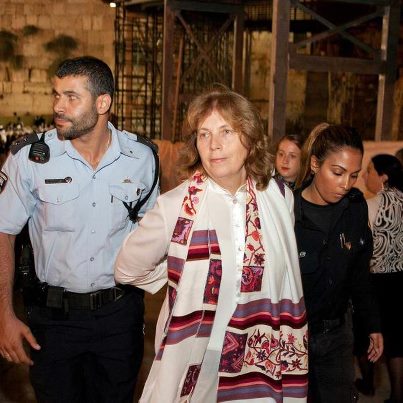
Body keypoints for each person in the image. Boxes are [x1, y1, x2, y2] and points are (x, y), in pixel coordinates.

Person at [115, 86, 308, 402]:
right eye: (204, 135)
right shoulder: (175, 207)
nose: (214, 145)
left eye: (226, 132)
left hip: (260, 355)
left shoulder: (278, 197)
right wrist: (176, 271)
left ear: (249, 137)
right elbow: (125, 269)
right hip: (200, 357)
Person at [0, 56, 159, 403]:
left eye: (72, 97)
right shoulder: (30, 157)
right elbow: (3, 232)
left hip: (119, 317)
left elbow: (155, 233)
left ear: (103, 103)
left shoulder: (142, 158)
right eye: (56, 95)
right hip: (52, 320)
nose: (59, 106)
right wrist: (4, 314)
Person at [293, 123, 383, 403]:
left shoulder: (354, 207)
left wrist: (373, 324)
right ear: (315, 164)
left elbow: (360, 274)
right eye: (338, 173)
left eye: (354, 175)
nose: (346, 184)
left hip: (337, 337)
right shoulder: (287, 212)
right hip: (294, 336)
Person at [354, 154, 403, 402]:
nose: (365, 175)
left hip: (375, 281)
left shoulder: (370, 206)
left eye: (369, 170)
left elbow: (361, 250)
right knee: (395, 340)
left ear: (383, 177)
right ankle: (397, 394)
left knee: (366, 335)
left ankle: (368, 383)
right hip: (399, 281)